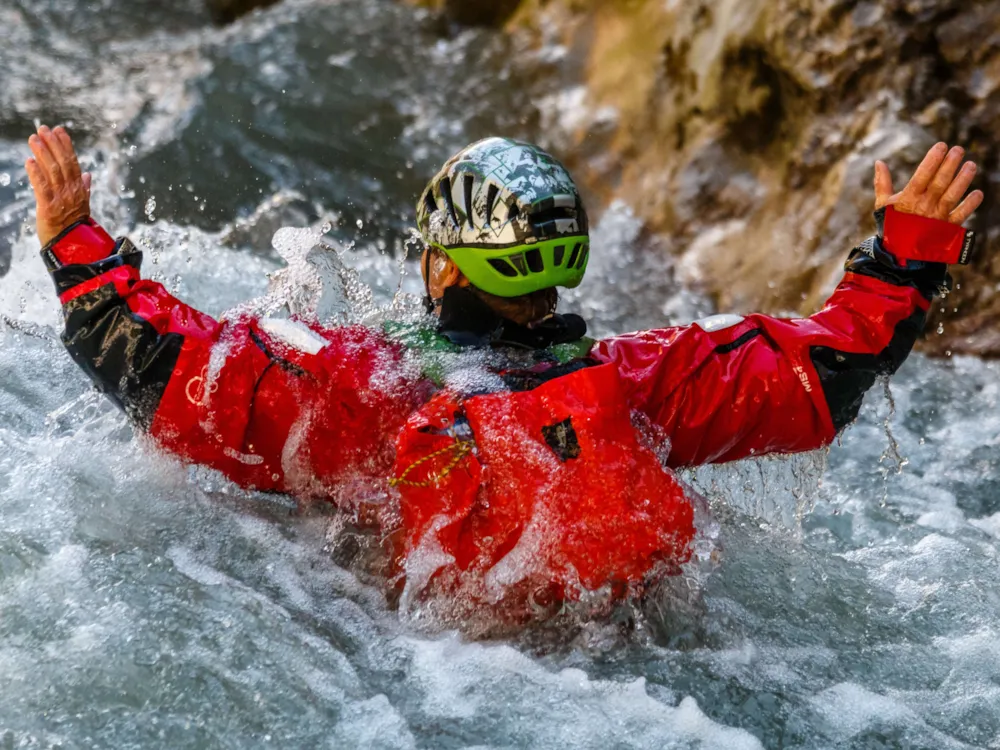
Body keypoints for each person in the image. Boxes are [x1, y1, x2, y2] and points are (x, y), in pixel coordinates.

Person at [25, 125, 983, 620]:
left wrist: (76, 243)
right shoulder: (641, 383)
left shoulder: (371, 390)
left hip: (440, 668)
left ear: (443, 262)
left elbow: (159, 365)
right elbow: (829, 369)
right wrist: (907, 253)